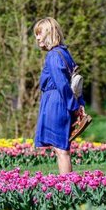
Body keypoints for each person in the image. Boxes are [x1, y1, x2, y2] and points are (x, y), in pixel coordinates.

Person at [33, 17, 85, 175]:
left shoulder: (54, 55)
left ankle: (67, 188)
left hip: (57, 104)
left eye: (39, 33)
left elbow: (63, 84)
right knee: (61, 148)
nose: (37, 38)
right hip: (61, 102)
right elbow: (75, 83)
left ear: (49, 33)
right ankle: (68, 186)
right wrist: (79, 104)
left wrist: (75, 107)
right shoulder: (64, 53)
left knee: (62, 150)